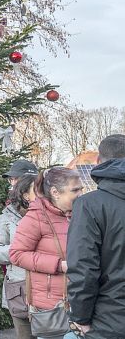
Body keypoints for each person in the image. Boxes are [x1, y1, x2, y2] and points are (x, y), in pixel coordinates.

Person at [10, 167, 83, 339]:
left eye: (81, 189)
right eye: (75, 190)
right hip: (53, 307)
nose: (81, 194)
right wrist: (59, 265)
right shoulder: (36, 217)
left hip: (80, 301)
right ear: (55, 192)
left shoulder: (80, 213)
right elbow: (17, 254)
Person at [68, 134, 125, 337]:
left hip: (108, 321)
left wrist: (80, 317)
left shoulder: (89, 205)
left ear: (98, 161)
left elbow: (83, 268)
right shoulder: (92, 205)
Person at [0, 174, 36, 339]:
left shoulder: (50, 215)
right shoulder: (7, 218)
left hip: (48, 286)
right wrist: (19, 251)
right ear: (25, 195)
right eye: (37, 189)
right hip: (19, 287)